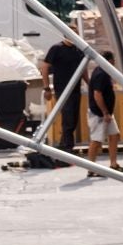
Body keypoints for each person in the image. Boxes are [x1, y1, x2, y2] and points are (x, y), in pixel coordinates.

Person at [40, 37, 87, 165]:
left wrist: (89, 84)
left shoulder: (78, 50)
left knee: (73, 119)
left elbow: (83, 69)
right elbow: (44, 67)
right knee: (68, 117)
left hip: (75, 89)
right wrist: (47, 88)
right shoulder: (57, 48)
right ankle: (66, 147)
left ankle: (65, 146)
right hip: (62, 89)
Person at [85, 51, 123, 176]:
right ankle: (90, 168)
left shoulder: (104, 72)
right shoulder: (101, 74)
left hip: (107, 113)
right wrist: (105, 113)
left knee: (114, 135)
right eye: (113, 61)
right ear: (109, 61)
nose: (114, 63)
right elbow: (97, 95)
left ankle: (113, 164)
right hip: (99, 114)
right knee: (96, 141)